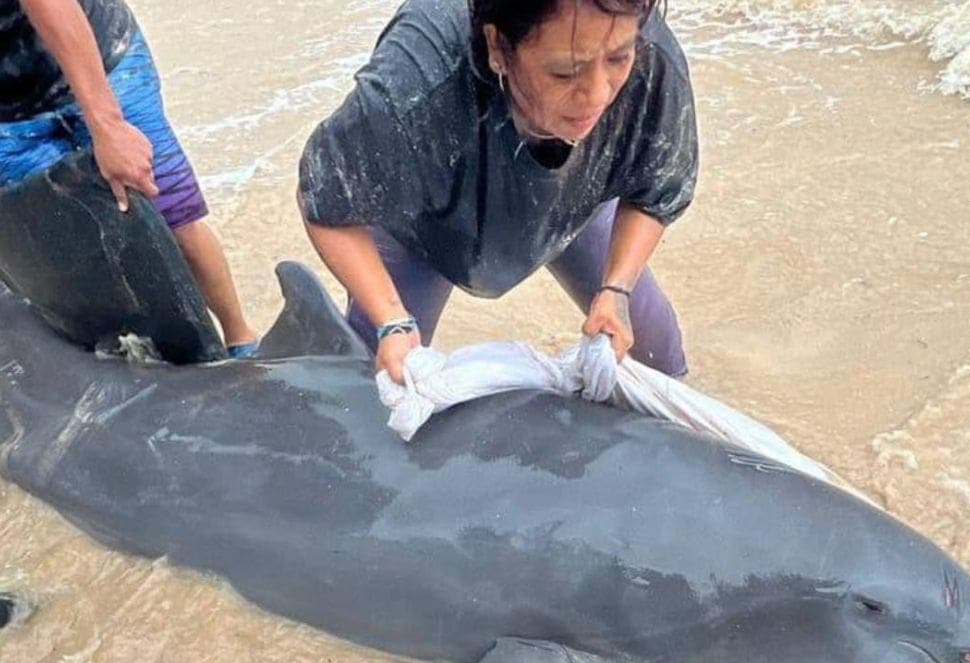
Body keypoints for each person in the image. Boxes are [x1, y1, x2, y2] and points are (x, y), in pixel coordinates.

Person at [298, 0, 697, 382]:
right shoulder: (416, 83)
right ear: (497, 47)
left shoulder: (646, 50)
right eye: (565, 71)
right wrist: (392, 320)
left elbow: (654, 190)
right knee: (379, 384)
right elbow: (324, 195)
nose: (597, 94)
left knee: (655, 359)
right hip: (427, 223)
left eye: (617, 59)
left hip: (575, 202)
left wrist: (617, 287)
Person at [0, 0, 258, 357]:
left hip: (100, 62)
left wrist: (108, 125)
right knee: (63, 257)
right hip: (8, 121)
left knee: (170, 216)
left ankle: (240, 339)